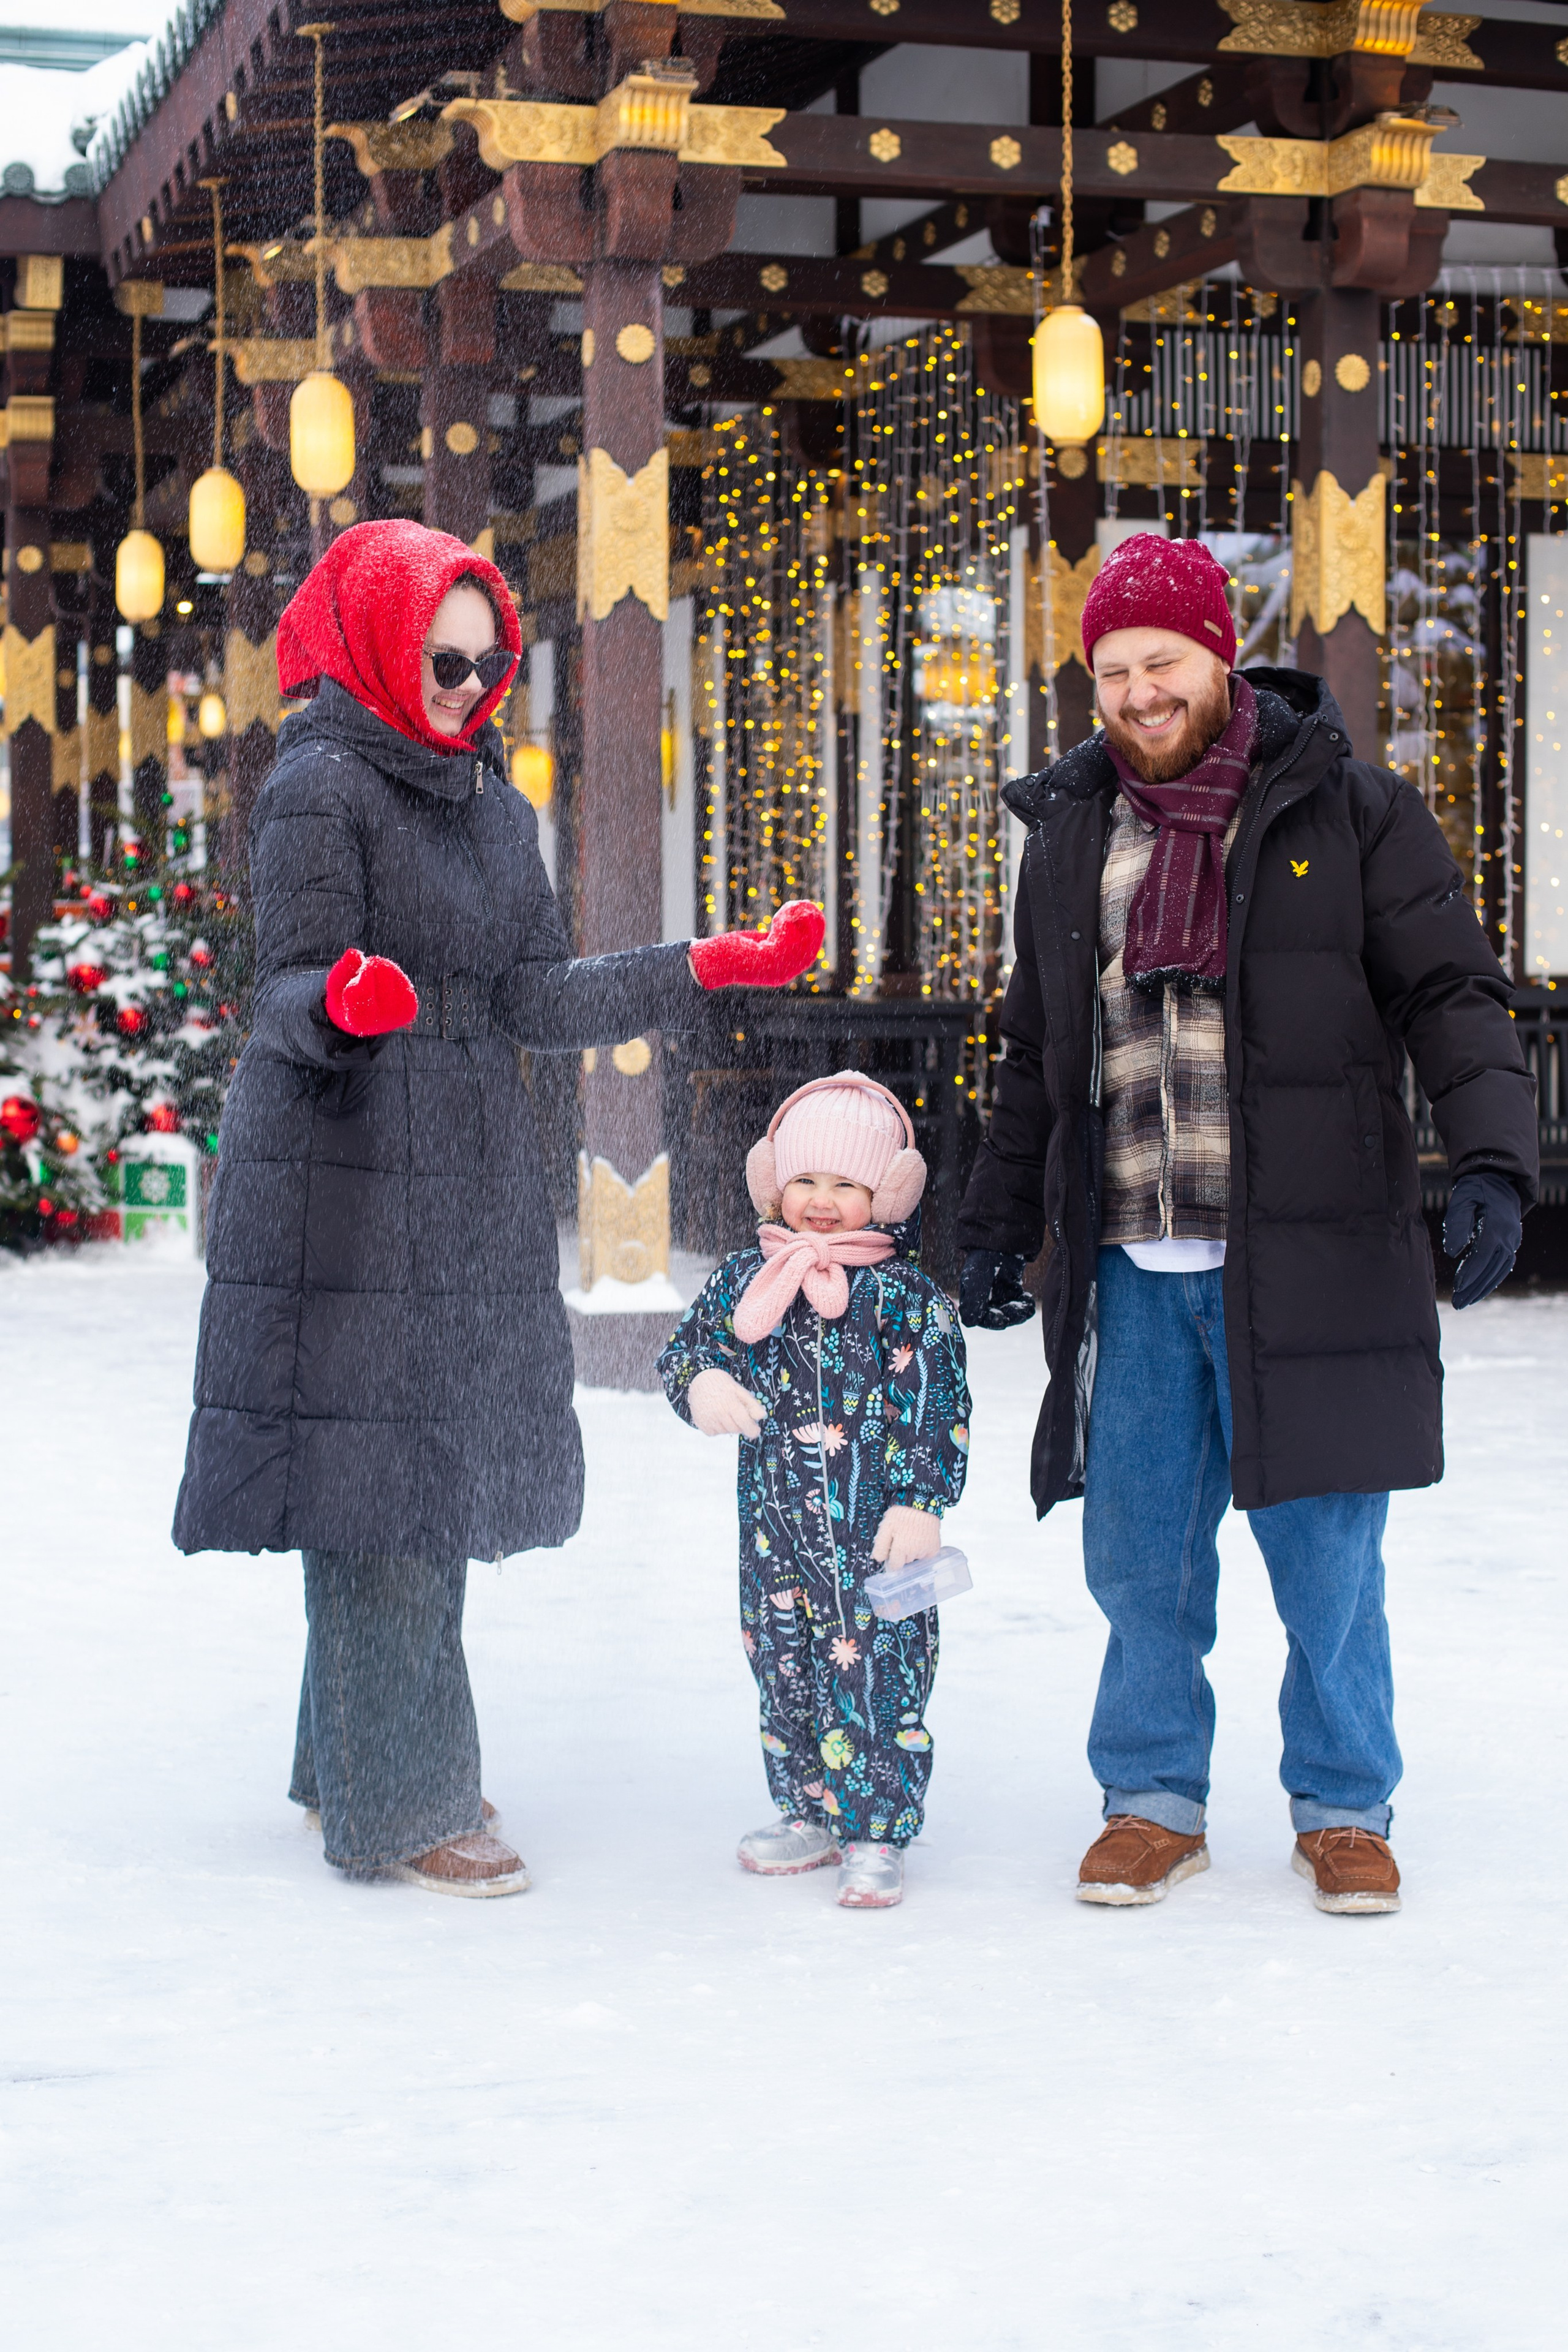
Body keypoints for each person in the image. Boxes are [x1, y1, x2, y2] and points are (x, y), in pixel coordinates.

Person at [172, 519, 824, 1898]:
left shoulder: (487, 801)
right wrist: (345, 1003)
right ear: (377, 644)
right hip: (344, 1166)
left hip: (465, 1168)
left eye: (487, 663)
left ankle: (345, 1749)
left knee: (424, 1458)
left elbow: (537, 995)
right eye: (442, 658)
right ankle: (400, 1801)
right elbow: (284, 985)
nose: (469, 687)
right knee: (387, 1469)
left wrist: (701, 965)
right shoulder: (320, 785)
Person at [957, 533, 1538, 1916]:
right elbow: (1035, 1049)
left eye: (1161, 663)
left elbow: (1449, 996)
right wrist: (990, 1221)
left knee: (1326, 1552)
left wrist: (1492, 1164)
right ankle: (1149, 1794)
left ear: (1218, 657)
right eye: (1111, 672)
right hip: (1128, 1258)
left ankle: (1343, 1802)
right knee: (1138, 1552)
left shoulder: (1352, 812)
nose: (1138, 694)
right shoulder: (1068, 837)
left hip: (1311, 1253)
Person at [657, 1072, 970, 1909]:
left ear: (886, 1193)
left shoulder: (905, 1299)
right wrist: (702, 1385)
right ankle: (809, 1809)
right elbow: (688, 1349)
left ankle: (877, 1826)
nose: (821, 1202)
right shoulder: (745, 1281)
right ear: (773, 1182)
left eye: (846, 1185)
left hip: (880, 1539)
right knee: (784, 1663)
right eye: (805, 1182)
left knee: (882, 1673)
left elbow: (937, 1403)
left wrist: (921, 1499)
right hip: (774, 1537)